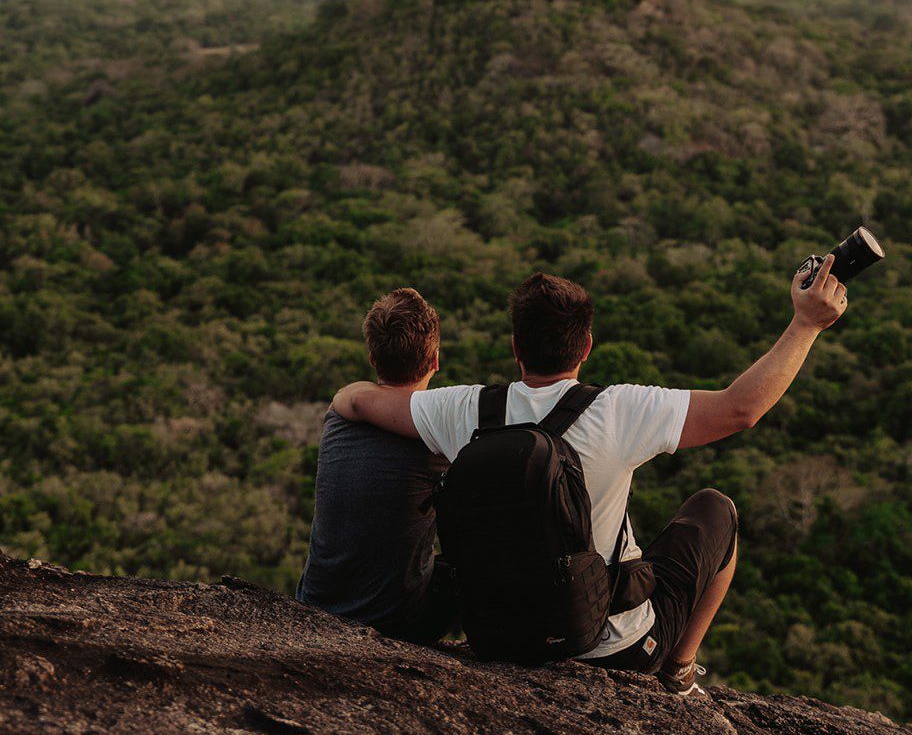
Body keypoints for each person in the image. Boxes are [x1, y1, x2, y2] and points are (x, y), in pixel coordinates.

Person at [332, 256, 847, 695]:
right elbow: (742, 409)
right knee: (717, 512)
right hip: (610, 650)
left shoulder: (464, 409)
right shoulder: (620, 409)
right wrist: (805, 325)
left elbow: (357, 402)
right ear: (586, 347)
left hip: (500, 639)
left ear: (516, 347)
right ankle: (679, 674)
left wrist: (347, 394)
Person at [296, 287, 457, 644]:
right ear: (434, 361)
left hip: (315, 602)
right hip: (398, 622)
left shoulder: (339, 416)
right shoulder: (436, 441)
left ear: (372, 358)